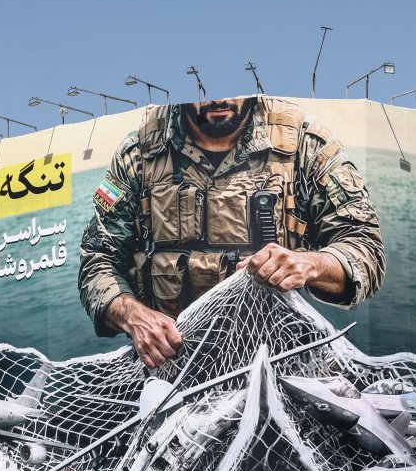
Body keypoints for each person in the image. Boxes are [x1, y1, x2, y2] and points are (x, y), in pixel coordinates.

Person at [79, 96, 386, 368]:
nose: (218, 100)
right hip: (169, 367)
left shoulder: (305, 145)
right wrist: (131, 315)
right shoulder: (138, 154)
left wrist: (310, 264)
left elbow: (366, 249)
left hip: (280, 362)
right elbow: (97, 260)